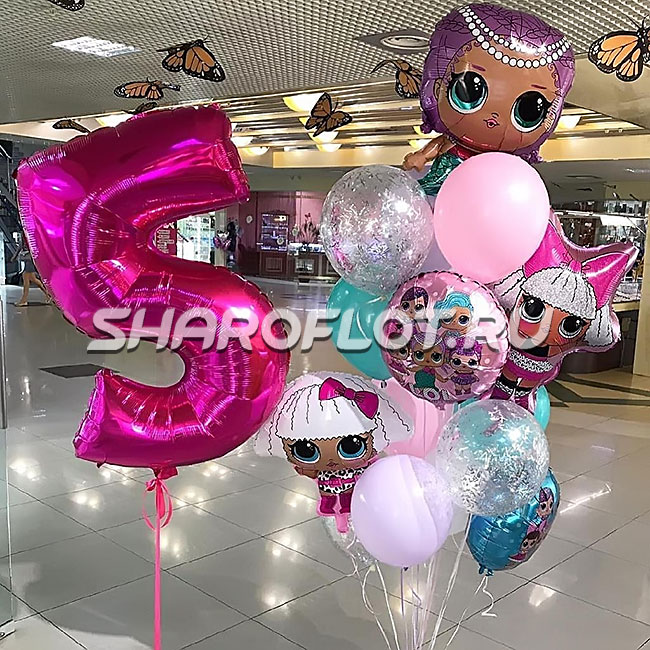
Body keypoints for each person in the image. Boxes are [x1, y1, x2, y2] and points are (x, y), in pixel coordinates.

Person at [403, 3, 575, 196]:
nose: (494, 117)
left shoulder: (507, 165)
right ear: (438, 86)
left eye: (529, 110)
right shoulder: (453, 143)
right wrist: (421, 155)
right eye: (470, 91)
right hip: (443, 185)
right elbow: (437, 146)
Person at [12, 243, 50, 307]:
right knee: (33, 279)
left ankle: (24, 300)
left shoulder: (30, 237)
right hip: (28, 258)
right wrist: (14, 256)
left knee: (25, 277)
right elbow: (20, 246)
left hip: (30, 259)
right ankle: (48, 294)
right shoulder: (24, 237)